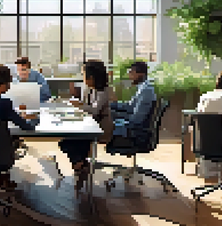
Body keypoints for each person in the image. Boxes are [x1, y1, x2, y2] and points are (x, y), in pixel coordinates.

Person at [58, 60, 114, 191]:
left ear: (92, 77)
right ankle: (81, 165)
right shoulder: (90, 89)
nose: (82, 78)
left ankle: (80, 166)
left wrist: (79, 105)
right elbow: (87, 106)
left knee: (69, 143)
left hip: (100, 129)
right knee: (68, 142)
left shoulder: (103, 92)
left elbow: (94, 110)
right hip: (90, 126)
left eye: (84, 75)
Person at [110, 61, 156, 138]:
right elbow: (129, 106)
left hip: (135, 131)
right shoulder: (142, 88)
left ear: (141, 74)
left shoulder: (146, 91)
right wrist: (111, 105)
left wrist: (115, 114)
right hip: (134, 127)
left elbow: (136, 119)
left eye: (131, 72)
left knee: (106, 126)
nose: (129, 75)